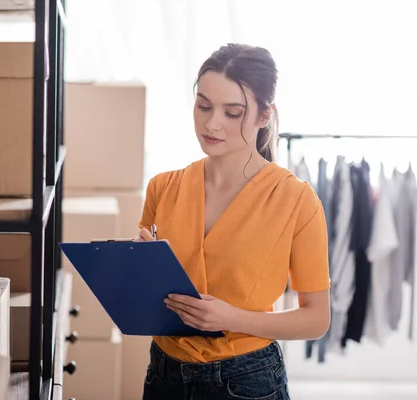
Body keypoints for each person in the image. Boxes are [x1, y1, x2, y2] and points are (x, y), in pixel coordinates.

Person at [135, 43, 331, 400]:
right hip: (163, 373)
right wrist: (136, 268)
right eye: (204, 105)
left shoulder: (296, 200)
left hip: (248, 380)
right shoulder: (162, 188)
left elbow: (316, 319)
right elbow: (148, 301)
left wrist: (231, 319)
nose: (212, 124)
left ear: (263, 116)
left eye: (232, 112)